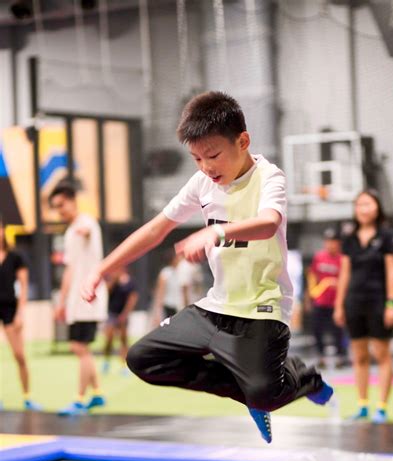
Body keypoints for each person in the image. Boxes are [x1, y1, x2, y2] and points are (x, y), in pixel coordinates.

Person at [82, 91, 333, 443]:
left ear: (243, 141)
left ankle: (303, 378)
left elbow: (268, 223)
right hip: (215, 308)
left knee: (265, 392)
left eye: (213, 155)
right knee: (143, 359)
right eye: (196, 158)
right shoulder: (201, 183)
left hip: (263, 310)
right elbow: (156, 230)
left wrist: (216, 231)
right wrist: (101, 269)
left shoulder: (269, 177)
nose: (205, 167)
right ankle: (247, 390)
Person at [334, 190, 393, 423]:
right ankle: (362, 405)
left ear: (377, 207)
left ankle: (381, 407)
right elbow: (344, 272)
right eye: (359, 204)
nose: (364, 208)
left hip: (379, 302)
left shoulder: (387, 236)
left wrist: (392, 303)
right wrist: (339, 304)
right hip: (354, 302)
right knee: (359, 355)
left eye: (368, 204)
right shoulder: (349, 238)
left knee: (381, 353)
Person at [50, 181, 108, 415]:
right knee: (82, 348)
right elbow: (69, 270)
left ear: (72, 200)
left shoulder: (85, 224)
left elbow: (87, 233)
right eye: (55, 207)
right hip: (77, 300)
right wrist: (63, 303)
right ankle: (97, 394)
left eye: (61, 204)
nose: (59, 210)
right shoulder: (72, 229)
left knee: (78, 346)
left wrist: (62, 303)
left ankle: (79, 399)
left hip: (88, 298)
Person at [0, 215, 41, 411]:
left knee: (19, 355)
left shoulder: (16, 257)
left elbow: (23, 287)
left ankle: (27, 397)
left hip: (10, 309)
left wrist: (20, 313)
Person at [305, 228, 348, 369]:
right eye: (328, 241)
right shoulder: (319, 257)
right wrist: (308, 298)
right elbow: (312, 277)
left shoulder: (343, 259)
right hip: (320, 301)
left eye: (334, 242)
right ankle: (320, 356)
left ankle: (341, 356)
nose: (330, 244)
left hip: (336, 303)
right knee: (317, 329)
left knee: (338, 330)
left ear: (339, 243)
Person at [102, 267, 138, 374]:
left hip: (123, 314)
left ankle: (124, 365)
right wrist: (113, 281)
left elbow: (132, 299)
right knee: (109, 338)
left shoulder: (130, 282)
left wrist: (125, 314)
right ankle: (106, 362)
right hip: (111, 313)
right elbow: (106, 292)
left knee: (123, 340)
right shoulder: (112, 280)